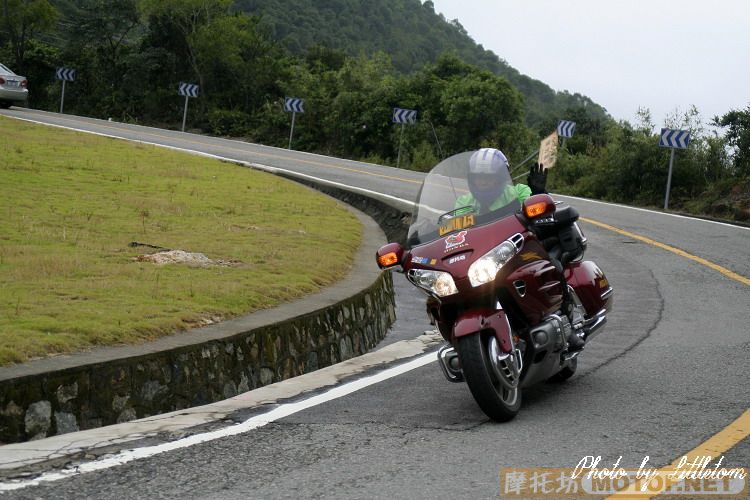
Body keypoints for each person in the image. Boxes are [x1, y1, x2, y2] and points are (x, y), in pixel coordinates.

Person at [456, 147, 585, 351]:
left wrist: (539, 192)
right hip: (485, 257)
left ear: (501, 178)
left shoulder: (519, 192)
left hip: (519, 250)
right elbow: (452, 231)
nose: (483, 183)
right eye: (479, 178)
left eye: (488, 178)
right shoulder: (464, 203)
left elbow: (539, 213)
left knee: (552, 265)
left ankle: (568, 325)